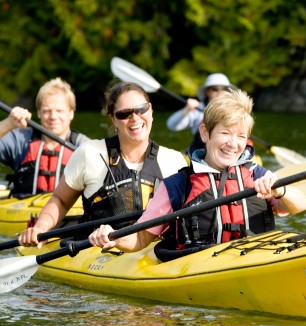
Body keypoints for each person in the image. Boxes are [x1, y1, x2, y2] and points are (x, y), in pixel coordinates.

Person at [89, 89, 306, 260]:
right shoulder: (178, 186)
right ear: (204, 133)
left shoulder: (256, 174)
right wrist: (113, 238)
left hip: (253, 259)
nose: (233, 144)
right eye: (225, 133)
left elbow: (300, 205)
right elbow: (141, 237)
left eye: (241, 136)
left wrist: (281, 190)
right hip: (199, 266)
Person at [18, 81, 188, 247]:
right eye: (124, 114)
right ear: (112, 119)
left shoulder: (174, 161)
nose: (135, 118)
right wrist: (40, 227)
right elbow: (61, 200)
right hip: (97, 250)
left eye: (141, 109)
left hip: (156, 250)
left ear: (150, 110)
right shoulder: (89, 153)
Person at [0, 77, 90, 198]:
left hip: (67, 213)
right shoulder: (21, 140)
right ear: (39, 113)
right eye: (47, 111)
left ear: (71, 113)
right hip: (22, 211)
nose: (53, 116)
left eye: (59, 111)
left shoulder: (83, 145)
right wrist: (9, 123)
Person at [166, 73, 235, 154]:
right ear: (208, 92)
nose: (220, 93)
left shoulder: (234, 111)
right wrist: (187, 109)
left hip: (228, 150)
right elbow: (171, 125)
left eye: (224, 89)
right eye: (215, 89)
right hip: (201, 151)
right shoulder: (197, 109)